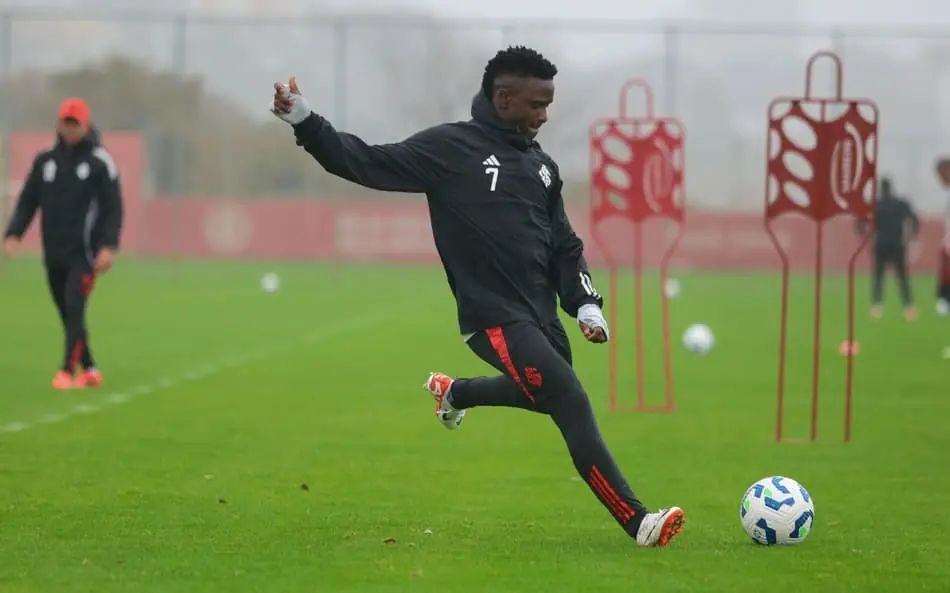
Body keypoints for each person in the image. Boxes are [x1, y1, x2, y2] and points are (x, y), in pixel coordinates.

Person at [269, 46, 684, 547]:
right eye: (537, 104)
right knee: (569, 398)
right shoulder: (449, 149)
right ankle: (638, 522)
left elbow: (564, 245)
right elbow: (364, 161)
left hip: (540, 316)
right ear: (504, 99)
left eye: (548, 104)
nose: (544, 116)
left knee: (546, 395)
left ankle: (456, 393)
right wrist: (305, 121)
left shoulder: (543, 167)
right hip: (491, 316)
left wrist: (585, 304)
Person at [2, 97, 123, 389]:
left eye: (75, 124)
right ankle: (90, 369)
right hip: (54, 251)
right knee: (68, 313)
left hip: (85, 252)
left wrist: (108, 246)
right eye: (65, 123)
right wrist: (14, 234)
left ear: (86, 125)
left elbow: (113, 207)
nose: (70, 129)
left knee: (74, 304)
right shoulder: (45, 160)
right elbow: (28, 201)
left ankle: (67, 371)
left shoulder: (100, 161)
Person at [857, 176, 919, 320]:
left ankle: (877, 307)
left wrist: (865, 237)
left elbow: (860, 221)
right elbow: (914, 219)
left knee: (878, 276)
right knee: (902, 276)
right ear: (891, 188)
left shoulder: (875, 204)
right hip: (897, 243)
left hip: (881, 243)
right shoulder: (900, 203)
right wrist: (911, 236)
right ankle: (908, 307)